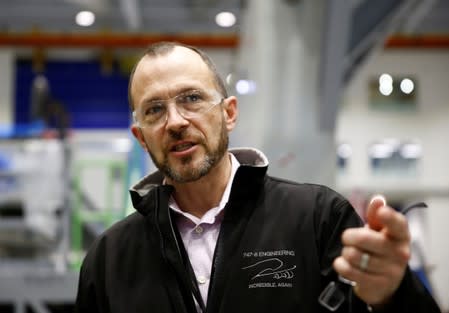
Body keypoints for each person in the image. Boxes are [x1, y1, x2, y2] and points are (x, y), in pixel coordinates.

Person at [75, 42, 441, 313]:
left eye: (191, 99)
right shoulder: (108, 259)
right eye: (154, 110)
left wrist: (395, 295)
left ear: (229, 114)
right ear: (141, 137)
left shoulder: (317, 218)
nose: (175, 121)